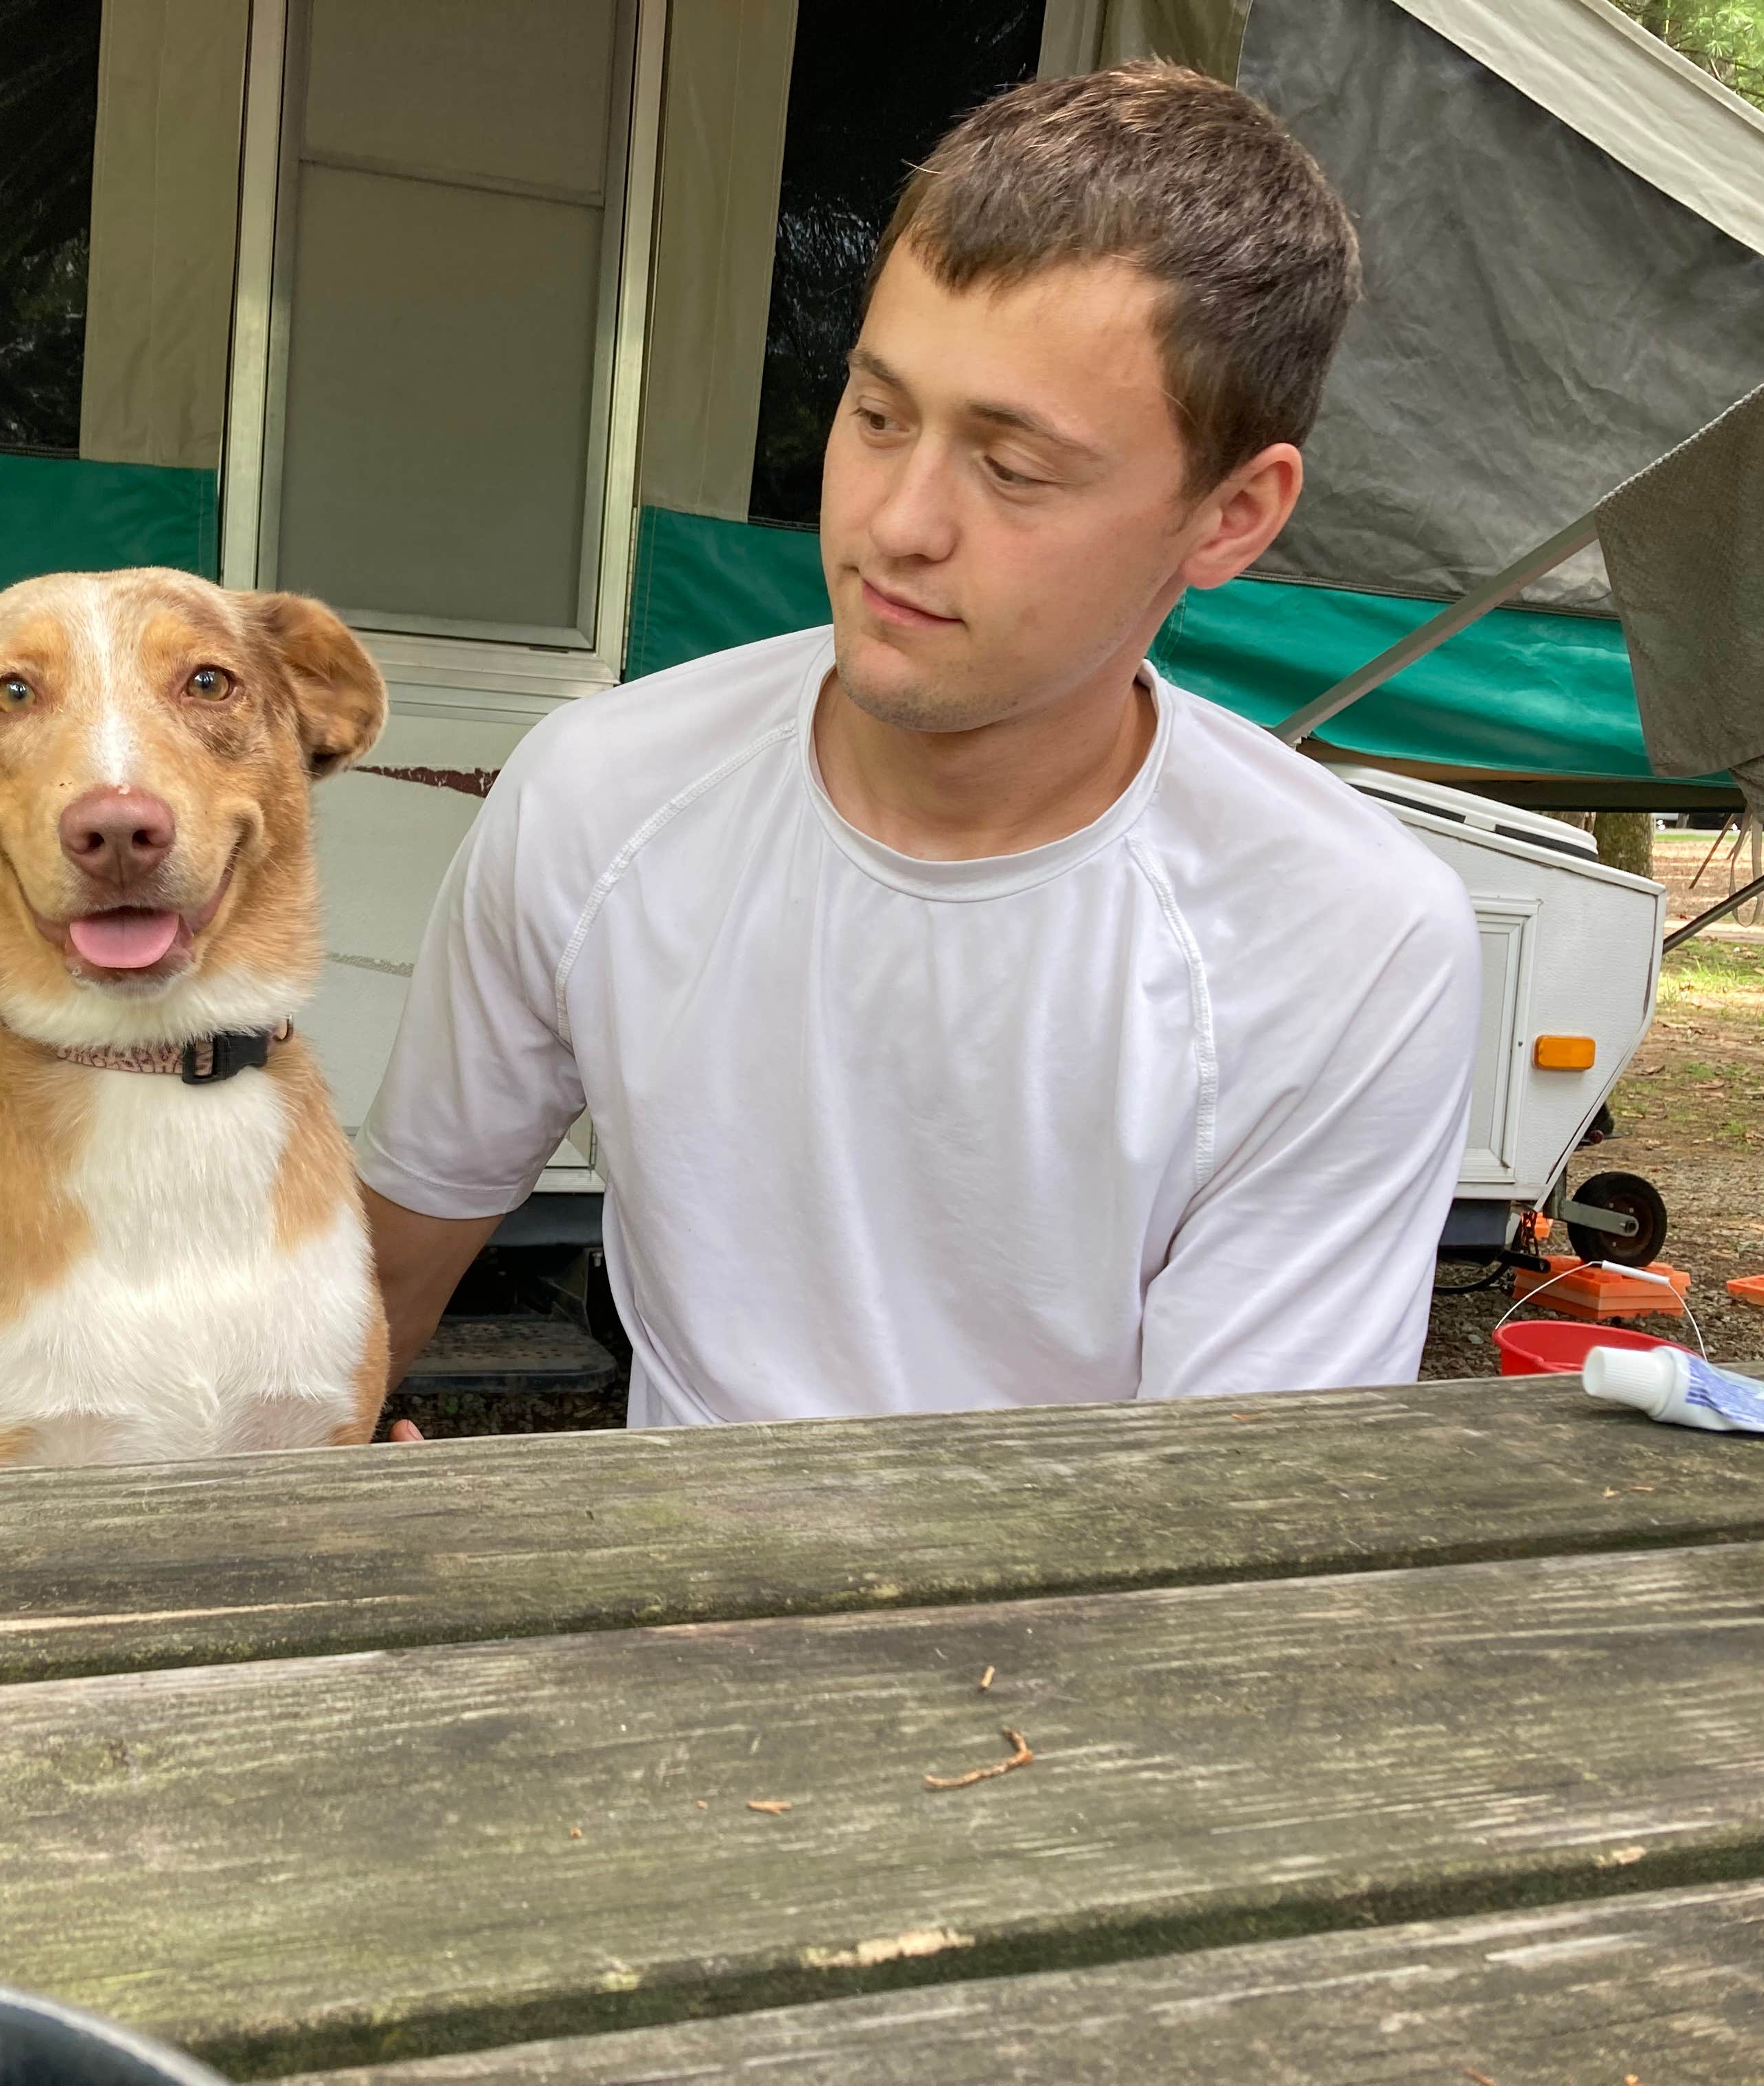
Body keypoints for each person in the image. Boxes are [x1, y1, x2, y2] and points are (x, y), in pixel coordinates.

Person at [357, 62, 1480, 1430]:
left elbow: (1229, 1534)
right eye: (877, 414)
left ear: (1233, 517)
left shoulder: (1348, 939)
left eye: (1012, 468)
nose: (896, 522)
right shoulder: (599, 795)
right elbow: (374, 1288)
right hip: (665, 1612)